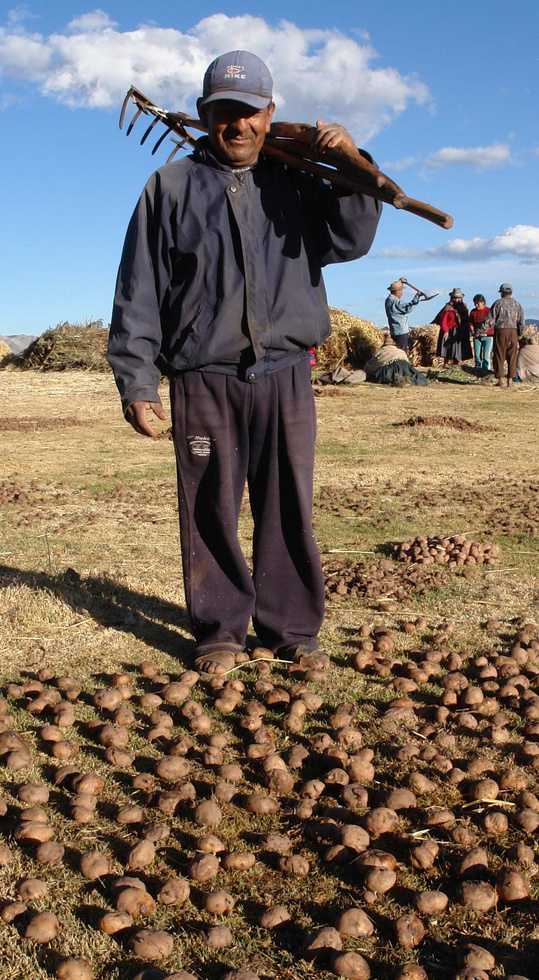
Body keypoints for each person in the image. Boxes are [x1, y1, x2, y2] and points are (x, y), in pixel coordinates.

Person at [106, 50, 382, 676]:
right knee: (210, 505)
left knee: (288, 503)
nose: (237, 126)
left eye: (249, 113)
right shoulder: (170, 187)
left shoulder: (299, 180)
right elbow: (138, 292)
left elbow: (351, 239)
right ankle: (220, 631)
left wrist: (350, 163)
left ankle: (291, 629)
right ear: (205, 116)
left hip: (285, 372)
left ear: (270, 114)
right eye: (223, 113)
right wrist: (137, 381)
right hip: (203, 376)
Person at [490, 282, 526, 388]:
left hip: (501, 331)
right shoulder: (517, 304)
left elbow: (490, 320)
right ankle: (510, 380)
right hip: (513, 332)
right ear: (511, 292)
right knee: (512, 356)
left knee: (499, 355)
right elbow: (521, 321)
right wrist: (519, 333)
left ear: (501, 292)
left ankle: (501, 379)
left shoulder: (498, 303)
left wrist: (479, 331)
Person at [384, 278, 429, 354]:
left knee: (397, 352)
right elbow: (407, 308)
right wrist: (417, 297)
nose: (402, 293)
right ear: (396, 291)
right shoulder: (395, 300)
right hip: (401, 331)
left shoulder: (388, 300)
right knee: (401, 353)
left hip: (394, 330)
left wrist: (400, 282)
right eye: (401, 291)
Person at [433, 288, 472, 365]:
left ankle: (455, 367)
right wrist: (446, 331)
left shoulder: (464, 307)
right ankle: (445, 365)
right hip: (449, 330)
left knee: (457, 351)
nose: (457, 300)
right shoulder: (448, 307)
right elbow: (443, 320)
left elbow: (466, 319)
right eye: (455, 298)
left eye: (458, 298)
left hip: (459, 331)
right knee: (447, 351)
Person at [469, 293, 494, 375]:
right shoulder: (473, 312)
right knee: (477, 356)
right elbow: (471, 323)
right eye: (475, 303)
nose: (476, 305)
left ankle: (487, 371)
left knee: (486, 355)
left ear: (483, 302)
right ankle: (478, 371)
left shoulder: (488, 311)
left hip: (488, 336)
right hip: (477, 337)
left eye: (478, 303)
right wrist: (472, 331)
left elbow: (490, 323)